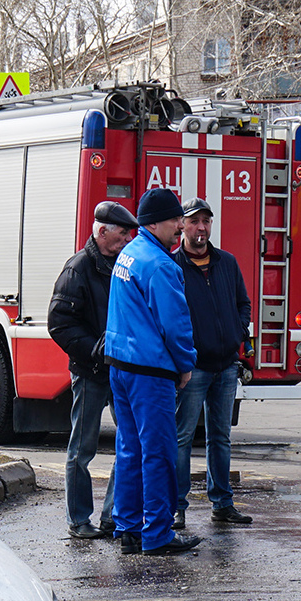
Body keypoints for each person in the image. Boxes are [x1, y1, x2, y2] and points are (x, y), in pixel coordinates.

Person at [105, 189, 201, 556]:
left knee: (129, 449)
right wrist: (185, 364)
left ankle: (128, 527)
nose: (181, 226)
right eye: (176, 220)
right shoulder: (161, 265)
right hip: (150, 372)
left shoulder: (128, 254)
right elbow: (175, 325)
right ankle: (158, 533)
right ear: (154, 223)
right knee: (159, 452)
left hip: (122, 368)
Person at [49, 200, 139, 540]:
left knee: (128, 444)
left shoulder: (121, 265)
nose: (127, 239)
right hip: (90, 372)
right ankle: (79, 520)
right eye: (121, 234)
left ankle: (113, 515)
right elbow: (58, 324)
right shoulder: (78, 268)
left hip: (119, 370)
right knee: (82, 449)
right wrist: (93, 350)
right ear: (101, 232)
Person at [171, 197, 254, 528]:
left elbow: (243, 303)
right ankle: (177, 507)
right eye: (194, 221)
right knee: (182, 437)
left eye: (206, 221)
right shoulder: (173, 266)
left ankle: (222, 503)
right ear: (183, 226)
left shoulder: (227, 263)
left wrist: (237, 331)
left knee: (220, 437)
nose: (201, 227)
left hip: (225, 366)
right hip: (193, 369)